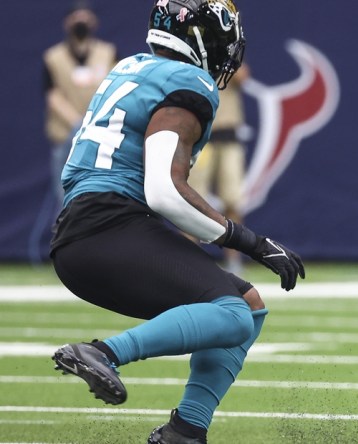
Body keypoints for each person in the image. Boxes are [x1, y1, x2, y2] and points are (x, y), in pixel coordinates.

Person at [49, 1, 304, 443]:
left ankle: (186, 430)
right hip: (107, 227)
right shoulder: (190, 80)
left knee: (249, 303)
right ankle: (102, 353)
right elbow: (165, 190)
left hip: (89, 229)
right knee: (234, 315)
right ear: (203, 38)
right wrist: (252, 242)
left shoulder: (131, 66)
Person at [43, 0, 116, 206]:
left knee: (100, 198)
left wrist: (93, 122)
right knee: (65, 199)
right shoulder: (53, 57)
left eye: (85, 16)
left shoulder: (108, 53)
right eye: (76, 17)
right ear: (67, 22)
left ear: (94, 22)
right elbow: (53, 95)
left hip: (101, 139)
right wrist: (78, 123)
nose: (81, 21)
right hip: (66, 138)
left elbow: (116, 89)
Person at [188, 63, 251, 275]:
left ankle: (234, 261)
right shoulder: (192, 59)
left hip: (228, 135)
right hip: (201, 137)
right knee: (191, 200)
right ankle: (189, 258)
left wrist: (224, 61)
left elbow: (243, 77)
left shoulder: (227, 58)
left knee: (232, 200)